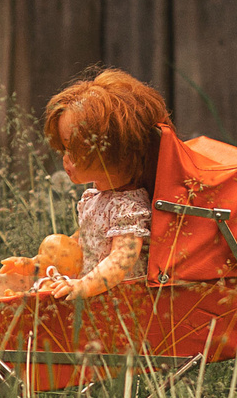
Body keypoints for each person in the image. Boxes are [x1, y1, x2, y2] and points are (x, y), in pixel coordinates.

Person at [39, 66, 172, 301]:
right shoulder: (95, 197)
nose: (65, 159)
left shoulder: (128, 207)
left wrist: (84, 287)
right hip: (96, 294)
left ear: (113, 152)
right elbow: (87, 239)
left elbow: (122, 260)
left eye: (73, 149)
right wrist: (38, 263)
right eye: (64, 149)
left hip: (120, 300)